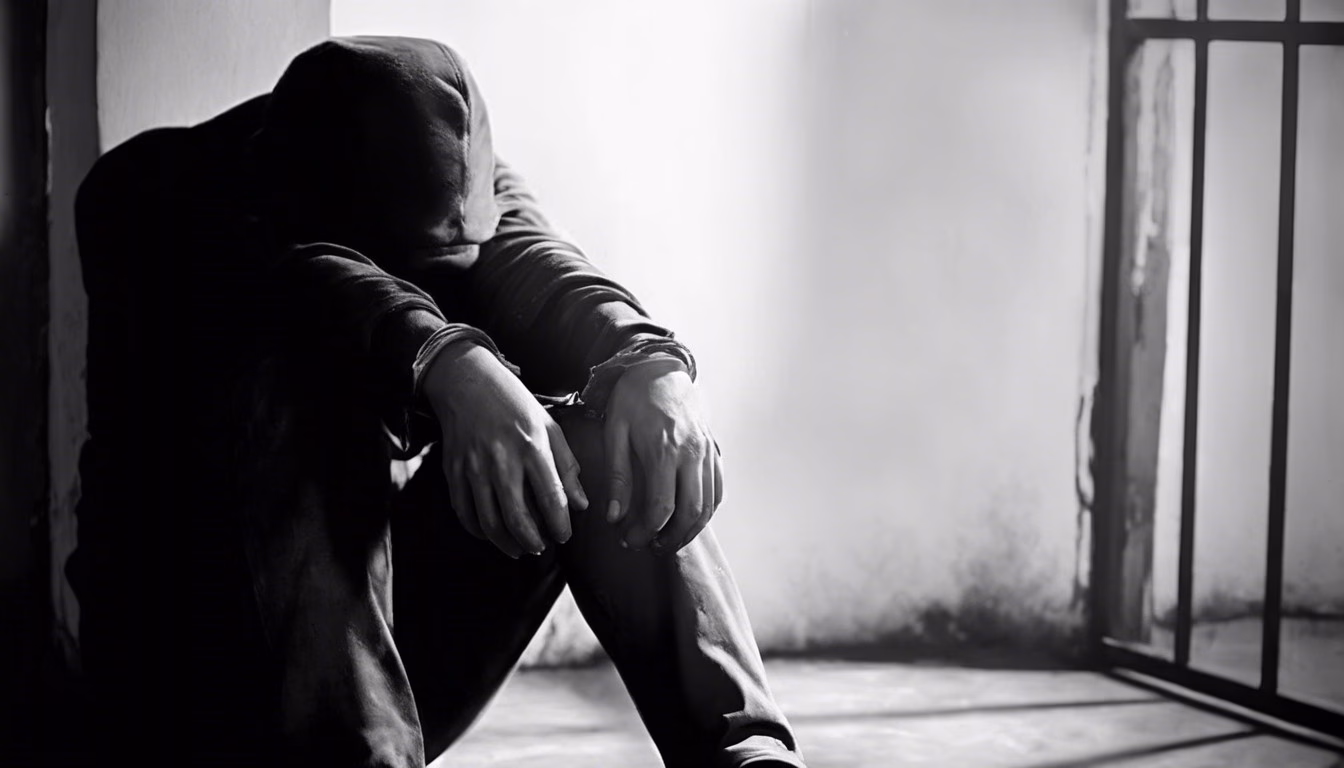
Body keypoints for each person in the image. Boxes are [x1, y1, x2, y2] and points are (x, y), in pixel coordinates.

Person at [68, 36, 806, 767]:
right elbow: (307, 285)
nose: (431, 283)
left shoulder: (449, 169)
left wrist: (650, 362)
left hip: (378, 661)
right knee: (303, 392)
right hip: (187, 677)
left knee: (601, 431)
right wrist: (445, 358)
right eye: (402, 263)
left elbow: (534, 262)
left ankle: (746, 755)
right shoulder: (148, 198)